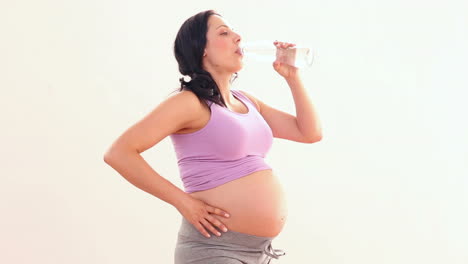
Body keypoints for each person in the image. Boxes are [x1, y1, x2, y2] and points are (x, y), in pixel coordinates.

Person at [103, 9, 322, 264]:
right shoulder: (189, 103)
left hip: (259, 252)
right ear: (202, 49)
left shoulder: (247, 101)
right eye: (224, 33)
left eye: (234, 31)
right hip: (214, 249)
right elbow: (119, 153)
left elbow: (309, 132)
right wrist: (183, 202)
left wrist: (293, 78)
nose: (237, 37)